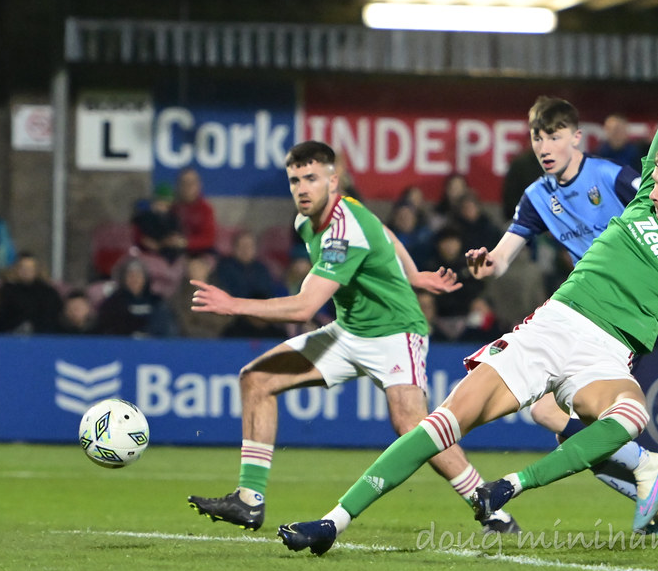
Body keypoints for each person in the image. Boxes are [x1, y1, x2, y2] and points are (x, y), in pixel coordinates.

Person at [277, 24, 658, 556]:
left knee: (630, 417)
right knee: (442, 423)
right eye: (654, 180)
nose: (652, 190)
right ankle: (332, 522)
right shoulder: (634, 202)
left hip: (608, 353)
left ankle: (539, 481)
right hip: (553, 324)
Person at [186, 140, 520, 536]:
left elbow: (304, 307)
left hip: (397, 333)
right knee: (256, 378)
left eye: (311, 178)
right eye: (294, 180)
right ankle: (249, 500)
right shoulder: (309, 221)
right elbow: (386, 231)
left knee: (412, 424)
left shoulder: (344, 232)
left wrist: (233, 304)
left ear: (334, 180)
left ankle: (493, 512)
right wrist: (413, 274)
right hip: (348, 333)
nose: (301, 188)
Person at [462, 93, 658, 533]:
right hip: (584, 315)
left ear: (577, 138)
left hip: (624, 313)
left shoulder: (612, 177)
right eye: (537, 137)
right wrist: (484, 263)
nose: (545, 146)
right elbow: (504, 256)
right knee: (560, 420)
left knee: (566, 418)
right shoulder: (536, 196)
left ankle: (651, 476)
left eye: (554, 135)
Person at [0, 252, 64, 334]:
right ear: (16, 269)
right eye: (23, 267)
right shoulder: (5, 291)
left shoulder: (48, 292)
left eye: (30, 268)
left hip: (44, 338)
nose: (27, 271)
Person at [171, 166, 217, 258]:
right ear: (178, 185)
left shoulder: (205, 209)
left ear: (199, 185)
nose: (188, 187)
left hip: (200, 253)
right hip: (174, 252)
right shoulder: (172, 207)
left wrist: (186, 242)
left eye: (192, 183)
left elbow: (209, 239)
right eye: (184, 183)